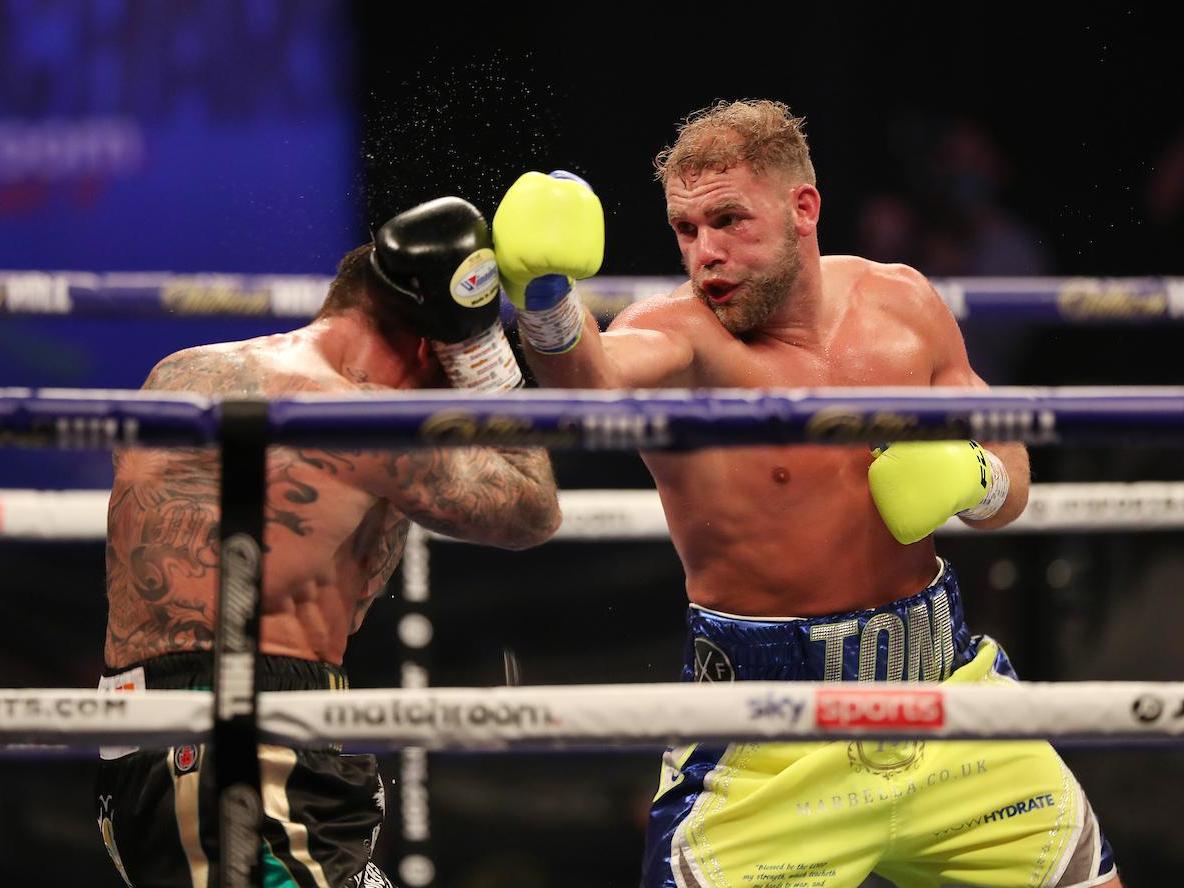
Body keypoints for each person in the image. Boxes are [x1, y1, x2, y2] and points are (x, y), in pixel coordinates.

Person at [491, 101, 1120, 888]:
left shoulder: (902, 302)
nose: (706, 254)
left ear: (803, 208)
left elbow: (1010, 455)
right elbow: (593, 382)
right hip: (768, 746)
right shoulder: (682, 339)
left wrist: (979, 481)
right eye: (686, 231)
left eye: (728, 221)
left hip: (950, 700)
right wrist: (546, 299)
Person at [96, 197, 562, 888]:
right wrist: (484, 355)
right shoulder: (356, 417)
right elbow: (533, 509)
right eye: (445, 372)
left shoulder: (183, 373)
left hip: (177, 740)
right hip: (241, 745)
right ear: (424, 345)